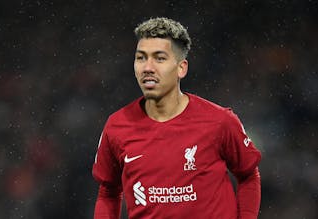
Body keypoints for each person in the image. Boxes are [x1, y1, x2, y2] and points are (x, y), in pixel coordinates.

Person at [92, 17, 261, 219]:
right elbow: (108, 192)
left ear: (181, 68)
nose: (148, 67)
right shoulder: (117, 126)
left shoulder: (220, 121)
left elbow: (248, 175)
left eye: (159, 58)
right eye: (141, 58)